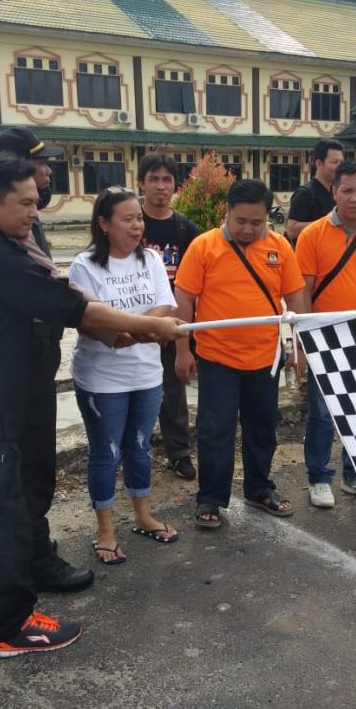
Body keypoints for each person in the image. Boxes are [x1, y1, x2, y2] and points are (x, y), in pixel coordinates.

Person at [0, 153, 182, 657]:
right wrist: (150, 326)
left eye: (36, 202)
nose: (35, 213)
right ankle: (15, 626)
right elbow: (75, 309)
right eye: (25, 203)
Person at [0, 126, 94, 594]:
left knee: (25, 466)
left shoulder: (25, 222)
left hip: (32, 363)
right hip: (13, 370)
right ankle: (32, 563)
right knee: (28, 468)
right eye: (39, 163)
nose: (48, 172)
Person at [173, 179, 309, 529]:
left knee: (262, 428)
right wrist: (182, 350)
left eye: (257, 222)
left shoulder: (279, 248)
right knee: (215, 430)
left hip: (265, 359)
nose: (248, 229)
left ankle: (259, 488)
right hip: (217, 359)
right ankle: (210, 498)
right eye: (241, 221)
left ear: (267, 217)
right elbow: (184, 299)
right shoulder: (204, 247)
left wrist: (298, 348)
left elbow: (295, 299)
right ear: (227, 212)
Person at [69, 187, 180, 564]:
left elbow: (164, 304)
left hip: (146, 374)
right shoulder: (85, 265)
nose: (137, 226)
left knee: (140, 447)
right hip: (102, 379)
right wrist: (144, 329)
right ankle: (105, 530)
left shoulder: (151, 259)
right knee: (106, 453)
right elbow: (90, 319)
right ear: (104, 224)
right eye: (127, 219)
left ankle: (143, 516)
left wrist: (135, 329)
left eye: (139, 219)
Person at [296, 161, 356, 508]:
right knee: (323, 414)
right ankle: (319, 477)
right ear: (334, 192)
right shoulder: (312, 235)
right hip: (323, 339)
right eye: (347, 190)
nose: (355, 198)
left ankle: (355, 476)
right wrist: (302, 342)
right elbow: (303, 292)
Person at [139, 152, 200, 481]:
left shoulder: (184, 228)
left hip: (173, 322)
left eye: (167, 180)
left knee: (173, 392)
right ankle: (133, 452)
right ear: (142, 183)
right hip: (134, 322)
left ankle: (178, 453)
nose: (160, 186)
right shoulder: (129, 222)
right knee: (131, 391)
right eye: (154, 179)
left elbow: (194, 284)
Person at [284, 138, 344, 244]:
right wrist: (327, 223)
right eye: (335, 162)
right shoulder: (305, 193)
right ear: (319, 163)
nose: (340, 167)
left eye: (341, 162)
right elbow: (291, 230)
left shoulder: (335, 192)